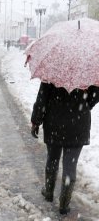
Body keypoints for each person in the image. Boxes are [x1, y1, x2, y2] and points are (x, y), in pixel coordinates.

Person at [30, 82, 99, 215]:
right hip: (78, 125)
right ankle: (64, 204)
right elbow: (95, 97)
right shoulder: (88, 70)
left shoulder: (53, 67)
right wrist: (83, 105)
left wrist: (36, 121)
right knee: (70, 165)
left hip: (54, 122)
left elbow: (42, 98)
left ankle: (49, 191)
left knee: (53, 159)